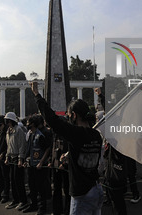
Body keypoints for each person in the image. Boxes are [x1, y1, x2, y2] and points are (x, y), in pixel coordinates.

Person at [31, 82, 103, 215]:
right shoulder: (96, 135)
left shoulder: (76, 133)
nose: (68, 118)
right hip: (96, 188)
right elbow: (86, 153)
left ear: (74, 115)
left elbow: (52, 120)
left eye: (69, 115)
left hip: (81, 192)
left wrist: (37, 95)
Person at [22, 115, 49, 214]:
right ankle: (33, 204)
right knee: (32, 186)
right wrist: (25, 160)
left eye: (29, 123)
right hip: (31, 165)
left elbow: (47, 149)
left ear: (33, 124)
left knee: (40, 187)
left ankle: (42, 208)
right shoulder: (31, 134)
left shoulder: (40, 135)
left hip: (39, 166)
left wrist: (41, 162)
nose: (27, 125)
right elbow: (29, 149)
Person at [4, 112, 28, 211]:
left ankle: (23, 200)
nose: (6, 121)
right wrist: (6, 157)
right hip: (11, 158)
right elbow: (8, 145)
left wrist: (20, 159)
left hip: (18, 158)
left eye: (7, 120)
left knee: (18, 180)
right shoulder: (9, 131)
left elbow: (22, 145)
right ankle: (15, 199)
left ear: (11, 120)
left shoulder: (19, 130)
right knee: (13, 180)